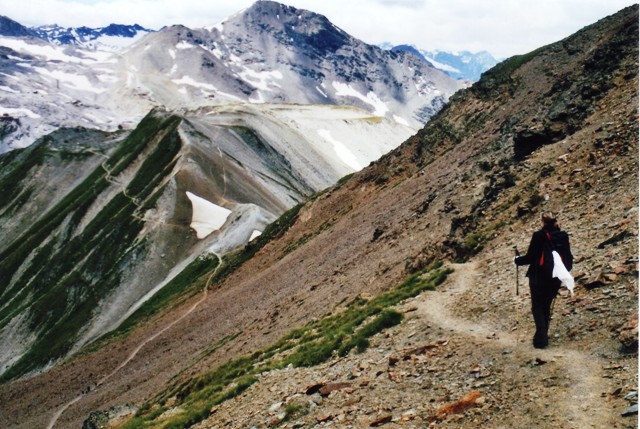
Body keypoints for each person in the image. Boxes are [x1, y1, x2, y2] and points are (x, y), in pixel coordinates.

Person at [514, 212, 572, 349]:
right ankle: (543, 334)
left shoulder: (538, 235)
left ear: (543, 222)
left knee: (537, 306)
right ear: (555, 221)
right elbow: (568, 257)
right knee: (546, 304)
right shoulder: (563, 235)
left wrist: (517, 260)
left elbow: (530, 257)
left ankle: (541, 338)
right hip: (556, 276)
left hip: (538, 276)